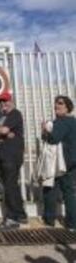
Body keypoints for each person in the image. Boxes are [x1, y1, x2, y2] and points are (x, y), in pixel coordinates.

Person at [0, 91, 27, 230]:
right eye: (1, 102)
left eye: (6, 101)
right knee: (12, 186)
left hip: (11, 156)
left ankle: (12, 219)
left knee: (10, 187)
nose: (3, 104)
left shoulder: (14, 114)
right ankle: (21, 214)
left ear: (11, 101)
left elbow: (4, 131)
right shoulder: (3, 117)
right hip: (5, 155)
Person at [42, 95, 76, 230]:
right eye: (56, 103)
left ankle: (50, 219)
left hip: (61, 163)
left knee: (50, 189)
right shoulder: (71, 121)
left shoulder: (63, 121)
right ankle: (72, 223)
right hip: (70, 161)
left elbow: (53, 138)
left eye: (61, 103)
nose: (57, 105)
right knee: (68, 191)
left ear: (68, 107)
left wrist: (45, 129)